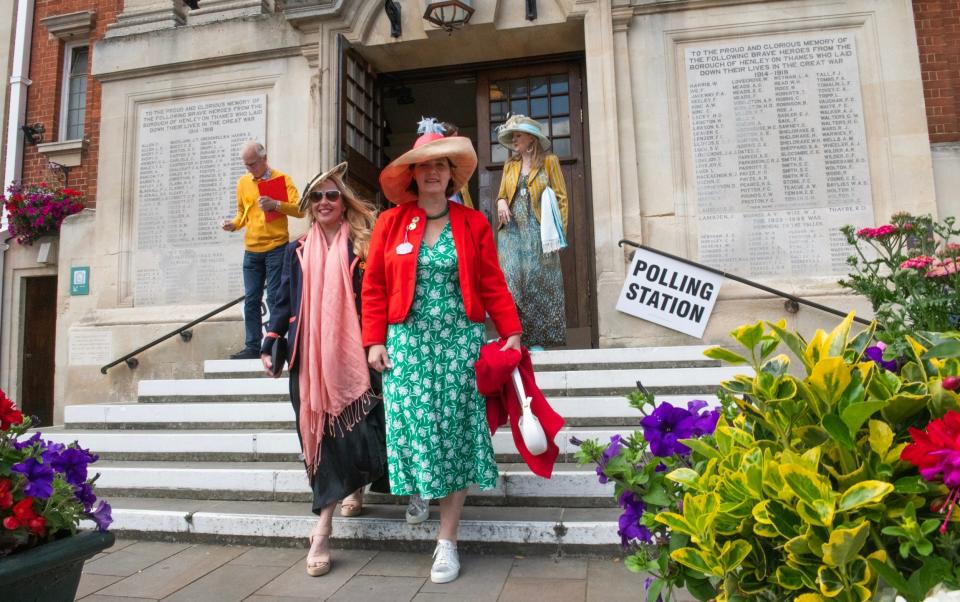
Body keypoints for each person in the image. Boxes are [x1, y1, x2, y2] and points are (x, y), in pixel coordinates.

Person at [363, 123, 522, 584]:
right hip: (406, 343)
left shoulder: (472, 223)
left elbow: (492, 280)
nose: (432, 173)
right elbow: (373, 286)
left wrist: (510, 329)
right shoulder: (391, 223)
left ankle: (446, 541)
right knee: (413, 426)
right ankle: (419, 487)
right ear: (412, 176)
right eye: (424, 166)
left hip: (459, 343)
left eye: (440, 165)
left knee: (453, 434)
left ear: (452, 175)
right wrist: (374, 339)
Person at [259, 162, 388, 577]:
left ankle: (358, 486)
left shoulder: (365, 245)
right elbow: (280, 303)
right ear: (310, 206)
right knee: (321, 439)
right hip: (309, 359)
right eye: (317, 196)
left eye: (332, 194)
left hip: (357, 356)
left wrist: (376, 342)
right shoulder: (294, 251)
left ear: (344, 200)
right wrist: (270, 341)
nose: (325, 202)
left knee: (361, 431)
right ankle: (323, 528)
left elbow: (376, 297)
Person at [221, 141, 303, 360]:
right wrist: (233, 224)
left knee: (276, 297)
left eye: (252, 164)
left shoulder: (282, 179)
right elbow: (242, 213)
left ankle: (277, 345)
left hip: (276, 247)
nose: (249, 169)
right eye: (246, 165)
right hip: (252, 249)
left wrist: (276, 204)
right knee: (251, 299)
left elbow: (300, 209)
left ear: (264, 159)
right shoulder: (243, 182)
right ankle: (252, 346)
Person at [494, 115, 569, 350]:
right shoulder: (510, 165)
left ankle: (536, 340)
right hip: (513, 232)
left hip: (539, 231)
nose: (514, 139)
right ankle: (513, 335)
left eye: (518, 135)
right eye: (512, 135)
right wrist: (501, 202)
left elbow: (562, 198)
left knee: (538, 284)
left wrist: (560, 235)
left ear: (531, 138)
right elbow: (502, 194)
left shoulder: (550, 162)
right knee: (511, 282)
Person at [440, 120, 474, 209]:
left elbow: (464, 193)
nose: (456, 141)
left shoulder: (458, 160)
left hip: (459, 204)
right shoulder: (439, 161)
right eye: (453, 138)